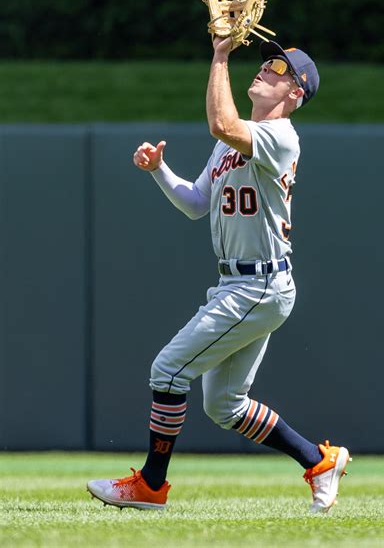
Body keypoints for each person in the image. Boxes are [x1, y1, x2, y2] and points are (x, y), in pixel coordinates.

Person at [87, 36, 351, 513]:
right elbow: (195, 203)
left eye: (279, 69)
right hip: (242, 283)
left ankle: (150, 484)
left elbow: (221, 122)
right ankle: (318, 460)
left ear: (296, 93)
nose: (266, 70)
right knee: (224, 406)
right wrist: (160, 170)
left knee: (167, 370)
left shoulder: (280, 135)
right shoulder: (234, 139)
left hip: (260, 283)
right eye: (267, 62)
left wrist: (221, 55)